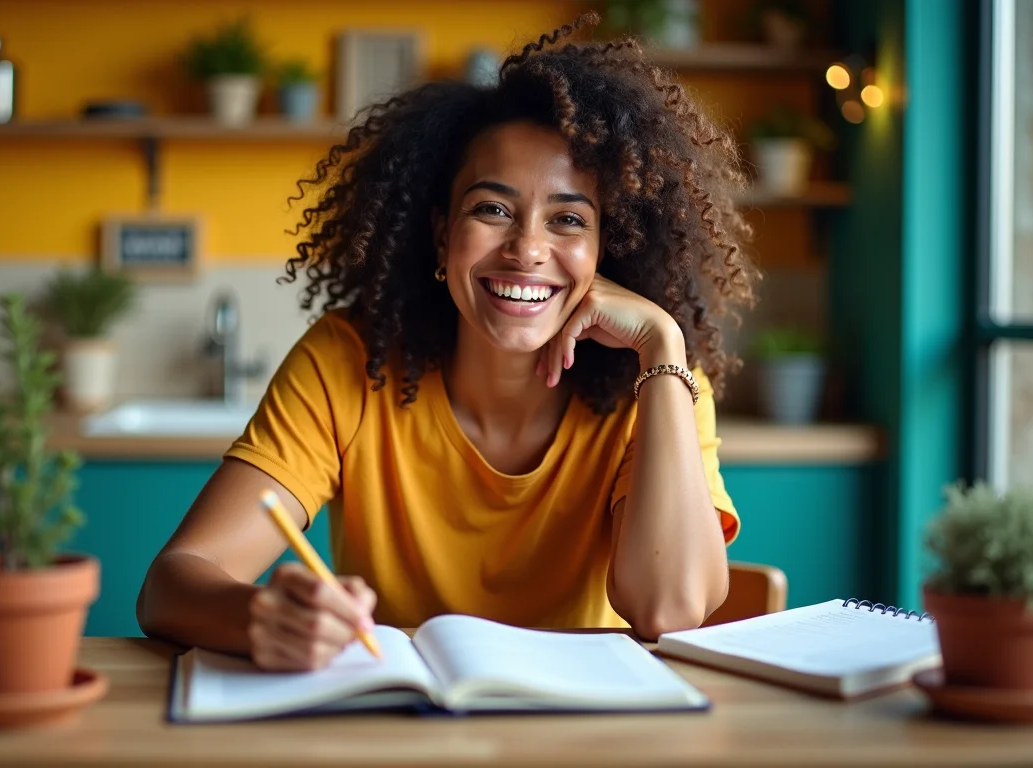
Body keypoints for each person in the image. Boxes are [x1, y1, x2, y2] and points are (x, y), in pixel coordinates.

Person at [136, 13, 758, 672]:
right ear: (440, 235)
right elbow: (173, 584)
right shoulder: (350, 361)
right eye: (491, 210)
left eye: (569, 219)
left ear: (612, 248)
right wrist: (261, 617)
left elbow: (670, 609)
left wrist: (663, 344)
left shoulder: (658, 382)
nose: (526, 250)